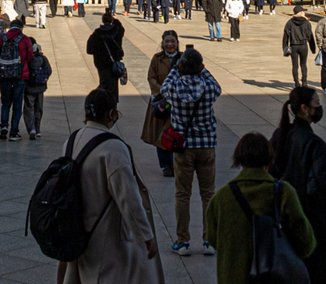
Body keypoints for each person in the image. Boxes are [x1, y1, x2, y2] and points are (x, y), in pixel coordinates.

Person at [65, 89, 165, 284]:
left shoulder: (72, 140)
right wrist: (145, 235)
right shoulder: (113, 147)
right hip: (104, 236)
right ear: (111, 114)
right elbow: (128, 198)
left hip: (77, 232)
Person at [205, 132, 316, 284]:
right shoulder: (284, 193)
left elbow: (212, 238)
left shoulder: (221, 198)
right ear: (270, 160)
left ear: (239, 160)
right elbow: (306, 243)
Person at [271, 86, 326, 284]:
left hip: (285, 218)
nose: (319, 107)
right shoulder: (313, 143)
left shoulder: (281, 135)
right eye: (317, 103)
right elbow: (325, 184)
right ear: (304, 109)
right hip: (312, 222)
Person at [158, 47, 222, 257]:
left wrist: (177, 68)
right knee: (208, 193)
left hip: (183, 147)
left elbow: (164, 86)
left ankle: (183, 241)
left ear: (181, 67)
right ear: (201, 67)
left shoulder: (174, 88)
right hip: (206, 145)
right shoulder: (209, 88)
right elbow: (217, 85)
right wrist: (202, 69)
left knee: (182, 194)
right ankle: (209, 240)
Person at [141, 30, 183, 178]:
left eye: (173, 41)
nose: (170, 44)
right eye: (167, 41)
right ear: (162, 43)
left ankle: (175, 164)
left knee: (174, 133)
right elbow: (151, 77)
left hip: (178, 102)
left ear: (177, 43)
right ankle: (165, 165)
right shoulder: (157, 58)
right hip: (161, 102)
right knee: (160, 133)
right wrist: (161, 92)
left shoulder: (183, 58)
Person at [0, 17, 34, 140]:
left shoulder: (2, 37)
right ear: (21, 28)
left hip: (4, 75)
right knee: (17, 104)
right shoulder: (25, 39)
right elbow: (29, 57)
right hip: (20, 76)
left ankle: (4, 126)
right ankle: (14, 132)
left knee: (5, 103)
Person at [87, 11, 127, 98]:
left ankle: (102, 99)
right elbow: (121, 27)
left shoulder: (97, 34)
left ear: (102, 20)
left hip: (101, 63)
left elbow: (89, 50)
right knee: (113, 84)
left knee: (103, 82)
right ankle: (113, 101)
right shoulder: (117, 31)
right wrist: (114, 19)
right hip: (114, 63)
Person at [282, 5, 317, 88]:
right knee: (303, 64)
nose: (304, 12)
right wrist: (313, 48)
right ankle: (304, 81)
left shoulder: (290, 22)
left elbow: (286, 36)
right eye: (303, 11)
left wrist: (285, 47)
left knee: (295, 65)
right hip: (303, 46)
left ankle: (296, 82)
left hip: (293, 46)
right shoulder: (307, 23)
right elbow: (310, 36)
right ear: (300, 12)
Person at [24, 39, 52, 140]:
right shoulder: (43, 58)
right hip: (40, 87)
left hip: (29, 88)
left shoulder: (26, 59)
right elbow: (49, 71)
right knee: (38, 108)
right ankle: (38, 129)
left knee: (29, 108)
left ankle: (31, 129)